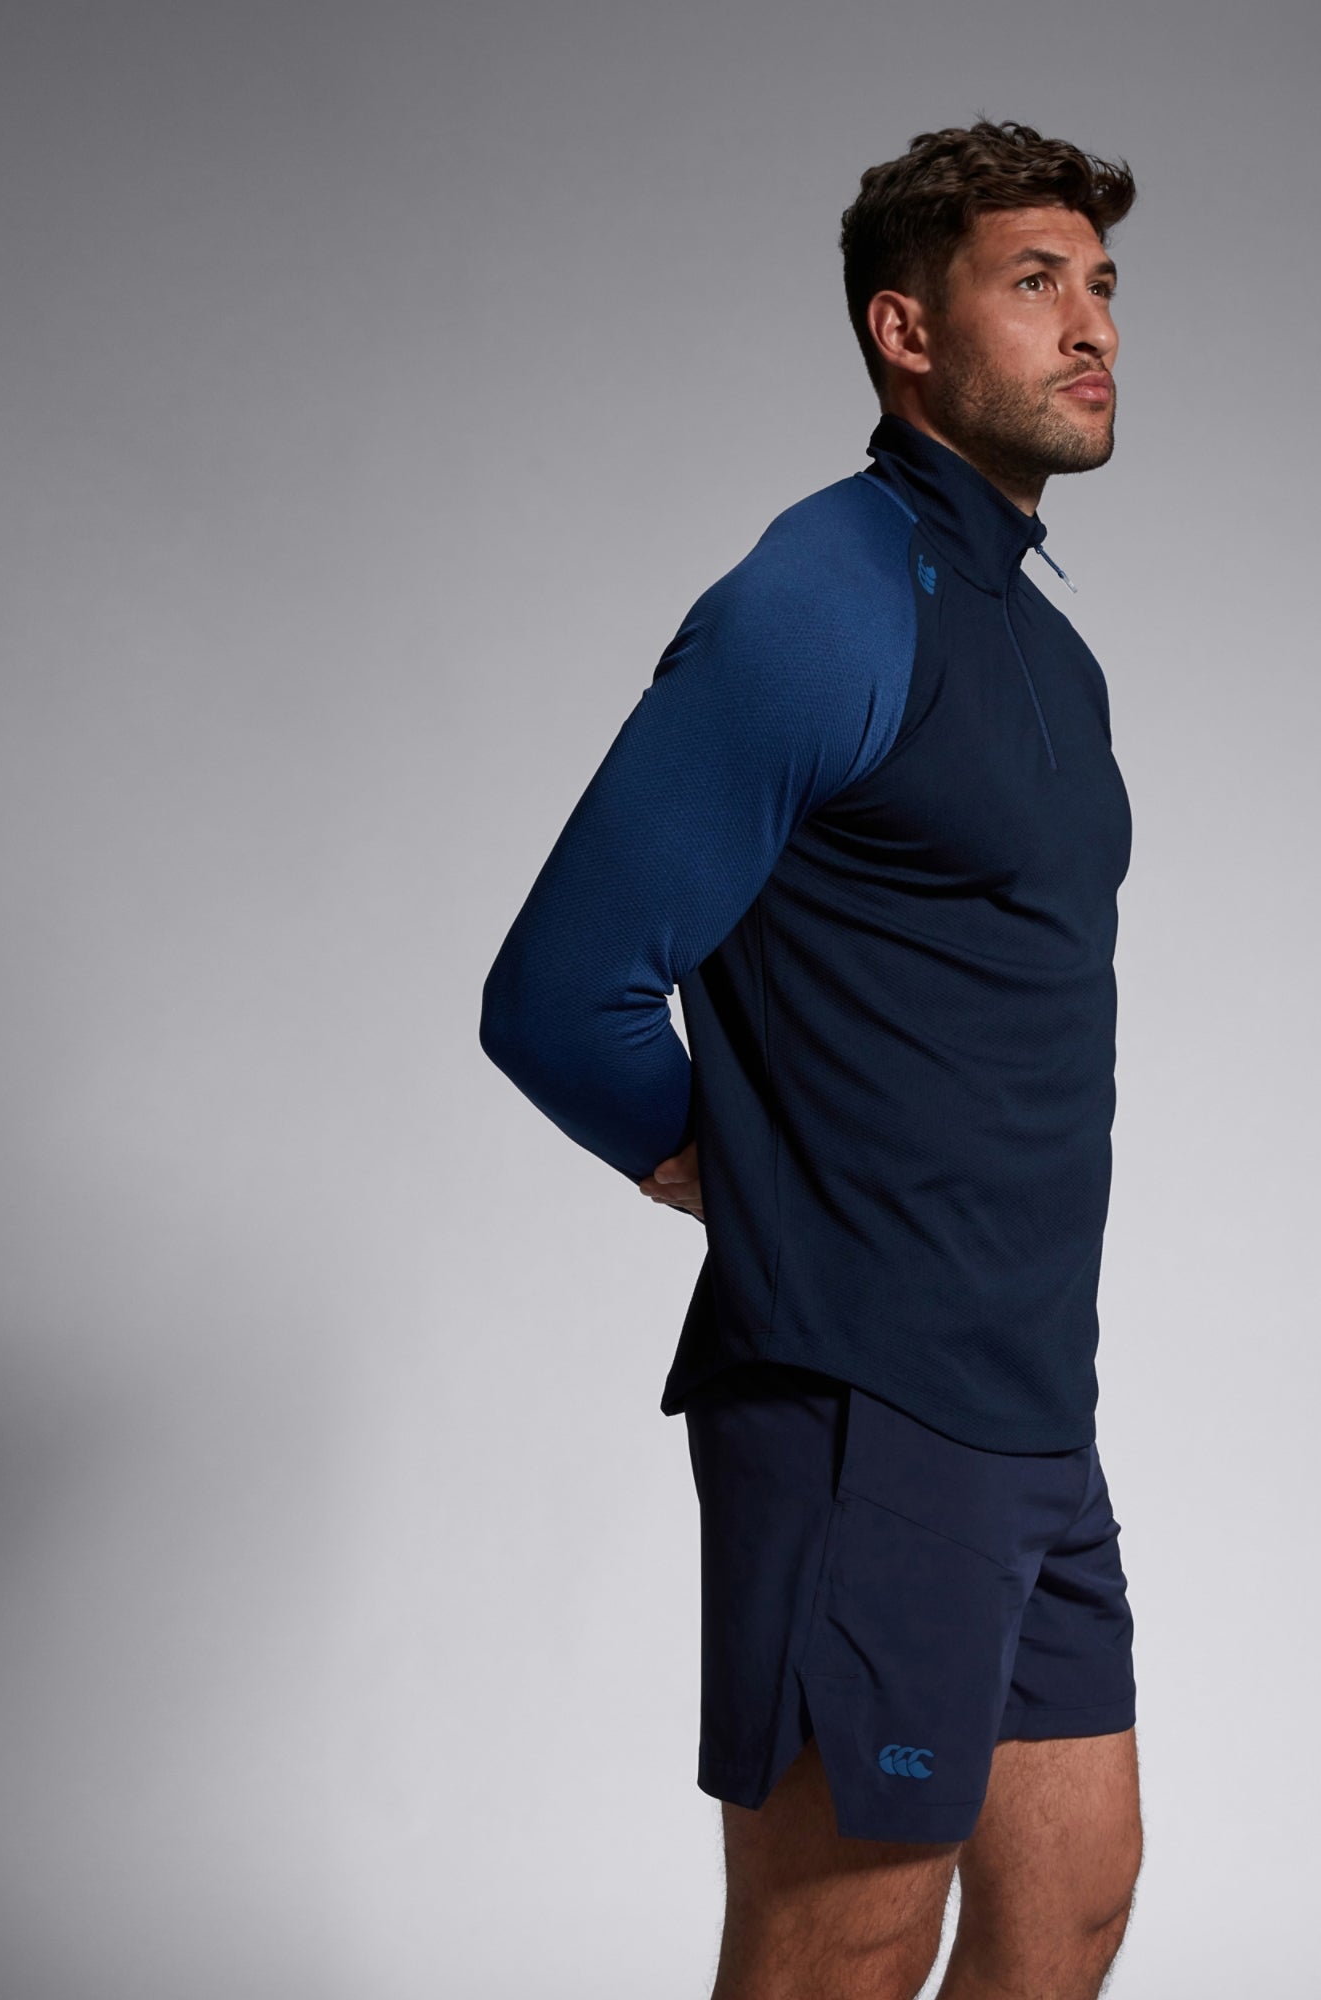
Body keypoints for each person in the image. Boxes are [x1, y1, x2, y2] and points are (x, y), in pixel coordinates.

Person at [480, 118, 1143, 1999]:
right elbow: (558, 993)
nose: (1092, 325)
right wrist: (739, 1173)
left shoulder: (1040, 643)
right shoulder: (819, 599)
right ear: (903, 330)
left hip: (1029, 1396)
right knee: (845, 1934)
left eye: (1103, 286)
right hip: (865, 1400)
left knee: (1075, 1899)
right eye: (1036, 282)